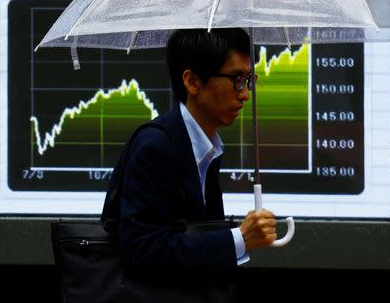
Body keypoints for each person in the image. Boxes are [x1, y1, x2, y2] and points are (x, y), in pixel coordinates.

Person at [103, 27, 278, 291]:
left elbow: (193, 233)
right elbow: (143, 249)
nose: (244, 94)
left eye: (249, 80)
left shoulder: (207, 148)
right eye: (236, 79)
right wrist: (239, 238)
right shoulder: (156, 146)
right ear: (192, 81)